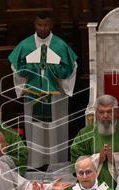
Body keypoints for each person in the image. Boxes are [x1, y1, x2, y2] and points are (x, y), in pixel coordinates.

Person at [9, 13, 78, 171]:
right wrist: (31, 68)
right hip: (34, 94)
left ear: (51, 25)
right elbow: (17, 68)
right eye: (39, 25)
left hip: (56, 96)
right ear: (35, 25)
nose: (42, 28)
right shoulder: (26, 46)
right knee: (36, 127)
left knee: (55, 127)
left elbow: (70, 68)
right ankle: (35, 162)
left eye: (46, 25)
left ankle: (57, 161)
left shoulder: (60, 46)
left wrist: (53, 69)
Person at [70, 95, 119, 188]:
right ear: (96, 113)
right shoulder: (85, 134)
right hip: (92, 189)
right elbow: (75, 160)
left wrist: (116, 159)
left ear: (116, 112)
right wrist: (97, 159)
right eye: (101, 112)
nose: (105, 115)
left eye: (109, 112)